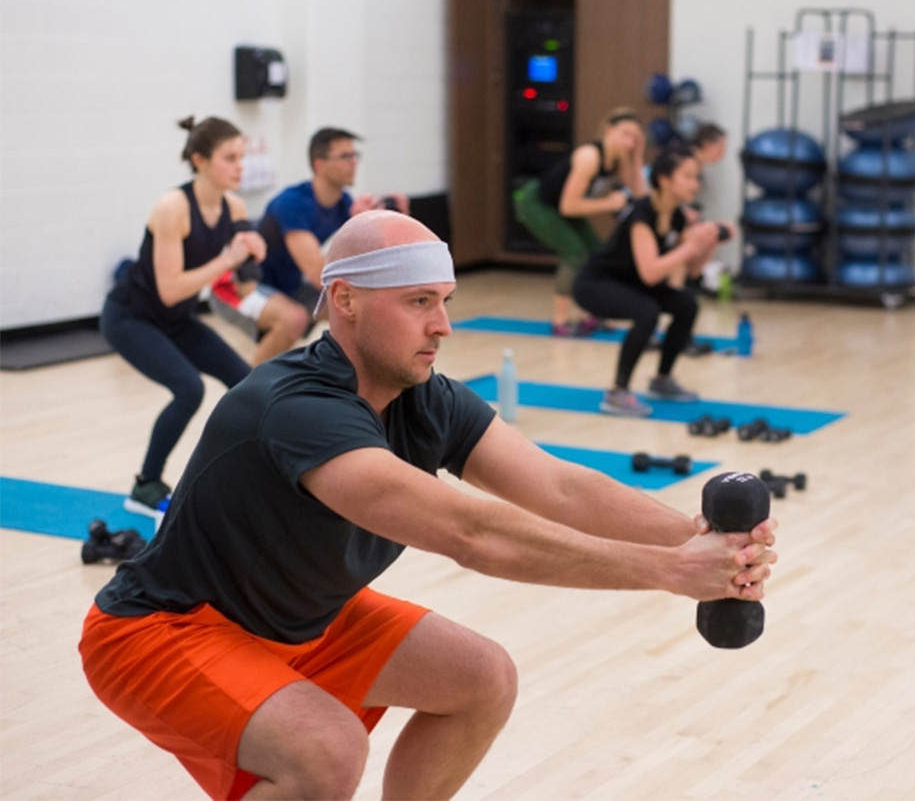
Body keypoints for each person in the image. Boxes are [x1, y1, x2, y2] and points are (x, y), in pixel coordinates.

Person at [79, 209, 777, 801]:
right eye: (419, 302)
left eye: (444, 300)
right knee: (326, 752)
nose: (442, 324)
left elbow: (559, 487)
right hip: (165, 630)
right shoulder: (297, 409)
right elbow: (472, 535)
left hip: (303, 616)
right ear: (346, 302)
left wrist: (695, 535)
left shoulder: (425, 397)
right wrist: (667, 571)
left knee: (481, 679)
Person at [100, 116, 266, 514]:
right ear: (200, 160)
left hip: (176, 320)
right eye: (230, 158)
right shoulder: (173, 207)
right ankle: (145, 485)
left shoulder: (235, 205)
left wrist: (257, 256)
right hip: (131, 317)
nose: (240, 166)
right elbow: (170, 288)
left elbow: (245, 283)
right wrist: (229, 257)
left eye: (242, 157)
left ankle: (248, 475)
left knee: (249, 384)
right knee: (189, 389)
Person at [210, 127, 410, 364]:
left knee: (360, 310)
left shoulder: (343, 203)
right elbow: (318, 275)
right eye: (345, 156)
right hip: (237, 286)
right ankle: (251, 396)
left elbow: (355, 266)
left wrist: (388, 223)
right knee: (293, 319)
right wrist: (358, 225)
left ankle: (354, 382)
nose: (353, 162)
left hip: (288, 286)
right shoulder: (293, 203)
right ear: (319, 164)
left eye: (355, 155)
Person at [573, 147, 735, 417]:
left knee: (686, 304)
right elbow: (650, 272)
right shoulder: (642, 214)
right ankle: (617, 392)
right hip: (596, 283)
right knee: (646, 312)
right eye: (688, 177)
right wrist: (690, 245)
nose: (695, 184)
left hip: (631, 283)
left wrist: (711, 242)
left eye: (696, 178)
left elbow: (692, 270)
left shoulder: (677, 216)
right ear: (664, 180)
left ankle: (662, 380)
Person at [513, 107, 648, 336]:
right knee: (575, 253)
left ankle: (592, 314)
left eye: (635, 137)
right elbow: (569, 205)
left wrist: (638, 155)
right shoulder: (590, 156)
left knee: (599, 252)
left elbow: (640, 194)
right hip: (537, 203)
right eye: (625, 134)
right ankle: (561, 321)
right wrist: (609, 203)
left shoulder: (618, 160)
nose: (630, 141)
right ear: (608, 130)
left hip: (561, 208)